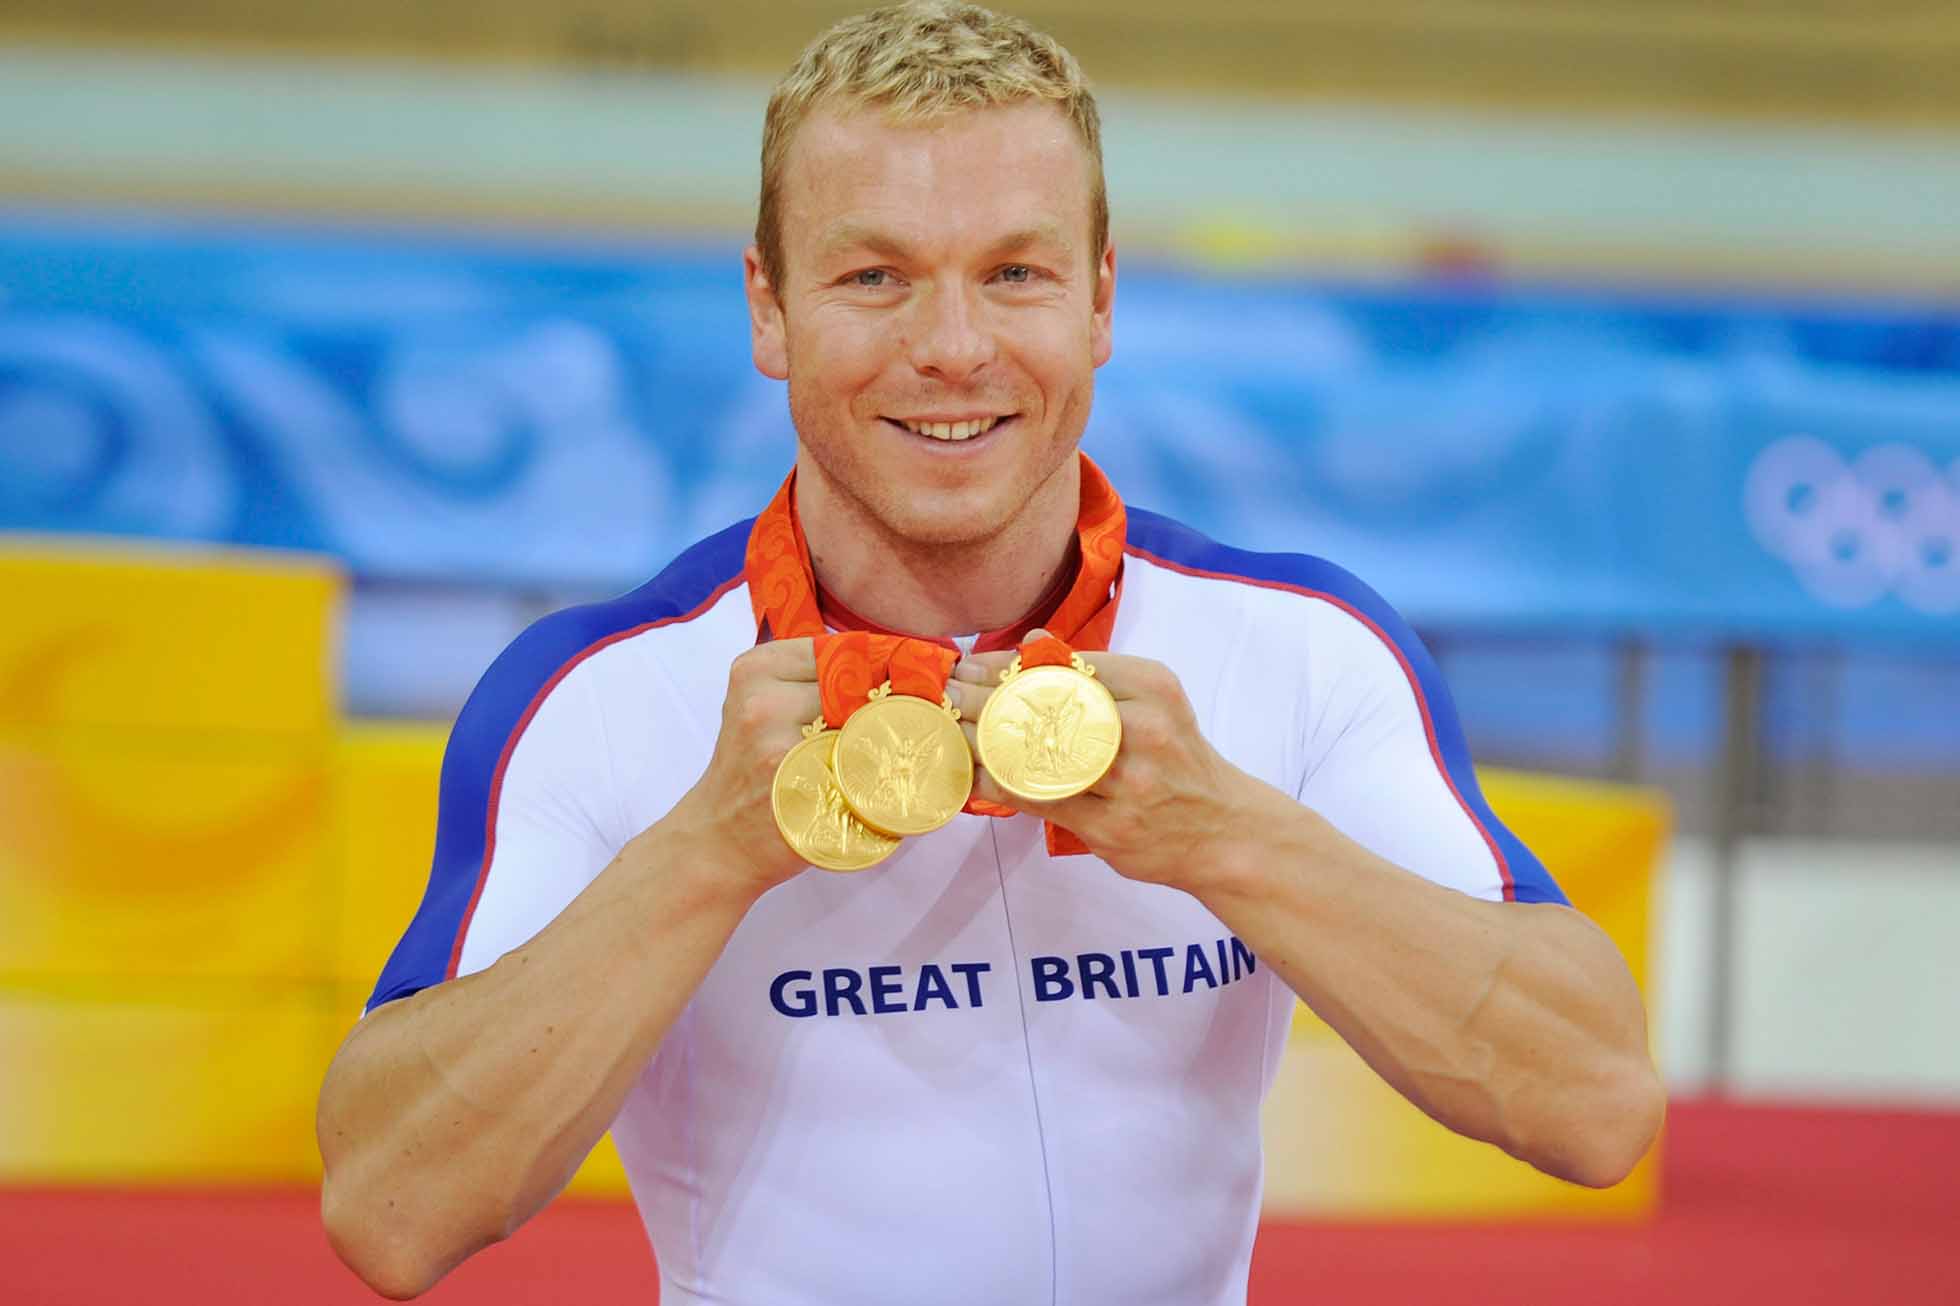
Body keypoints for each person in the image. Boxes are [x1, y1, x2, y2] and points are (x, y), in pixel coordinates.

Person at [316, 4, 1664, 1302]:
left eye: (1015, 273)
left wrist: (1225, 834)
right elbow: (389, 1209)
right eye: (874, 277)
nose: (952, 348)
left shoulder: (1300, 650)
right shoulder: (603, 695)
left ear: (1100, 302)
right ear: (770, 309)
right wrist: (703, 853)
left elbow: (1596, 1104)